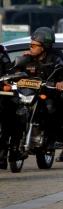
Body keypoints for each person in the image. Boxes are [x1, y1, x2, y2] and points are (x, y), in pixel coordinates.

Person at [9, 28, 63, 165]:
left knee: (51, 108)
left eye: (34, 45)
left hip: (48, 93)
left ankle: (51, 140)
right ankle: (13, 146)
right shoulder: (27, 58)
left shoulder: (56, 58)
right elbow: (13, 71)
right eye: (30, 45)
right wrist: (14, 75)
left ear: (44, 47)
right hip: (28, 93)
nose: (30, 48)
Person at [0, 42, 16, 170]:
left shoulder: (2, 55)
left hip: (1, 94)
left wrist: (7, 83)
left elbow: (9, 73)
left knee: (8, 120)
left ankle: (4, 155)